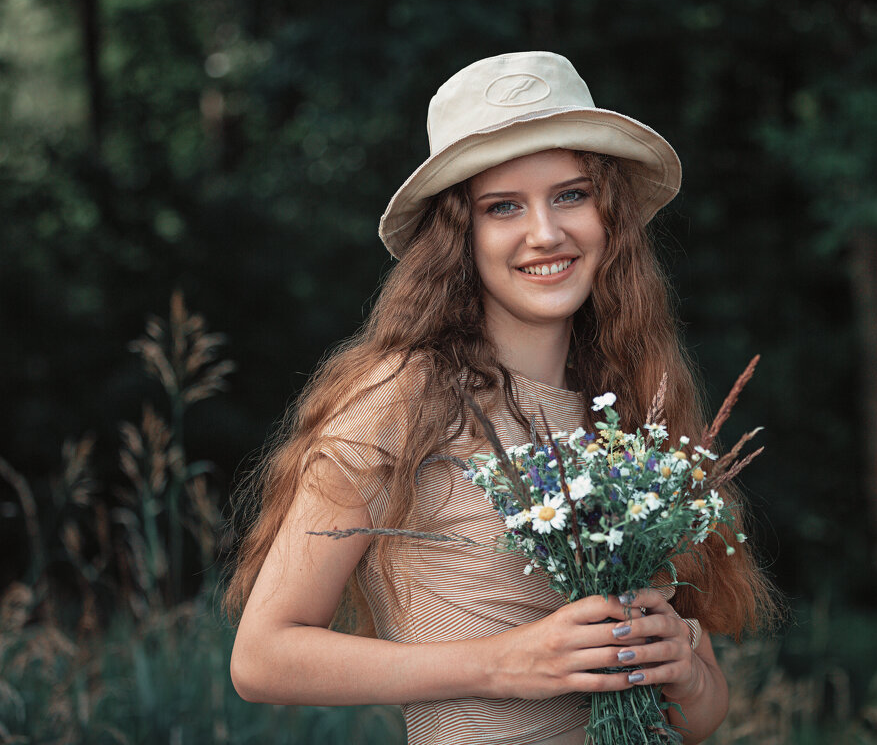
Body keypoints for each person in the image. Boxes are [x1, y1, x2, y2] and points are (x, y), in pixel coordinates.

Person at [224, 51, 777, 745]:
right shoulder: (402, 400)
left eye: (572, 195)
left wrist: (687, 671)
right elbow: (263, 658)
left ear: (610, 216)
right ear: (461, 238)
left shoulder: (631, 402)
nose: (545, 232)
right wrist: (503, 664)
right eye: (503, 207)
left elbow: (697, 718)